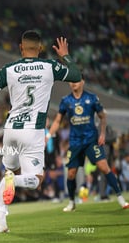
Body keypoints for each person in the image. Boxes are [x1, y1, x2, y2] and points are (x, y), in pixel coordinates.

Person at [0, 30, 82, 232]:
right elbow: (76, 75)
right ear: (40, 48)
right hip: (33, 131)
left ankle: (0, 222)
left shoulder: (9, 69)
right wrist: (65, 56)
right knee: (36, 180)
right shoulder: (49, 67)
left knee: (8, 171)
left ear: (21, 47)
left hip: (10, 131)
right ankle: (15, 182)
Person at [47, 76, 129, 211]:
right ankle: (72, 202)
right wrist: (49, 135)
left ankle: (121, 199)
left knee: (104, 167)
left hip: (91, 140)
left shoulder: (92, 98)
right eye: (71, 81)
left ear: (83, 82)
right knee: (71, 173)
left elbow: (103, 116)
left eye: (77, 80)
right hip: (75, 142)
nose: (74, 83)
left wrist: (102, 134)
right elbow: (57, 121)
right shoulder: (66, 101)